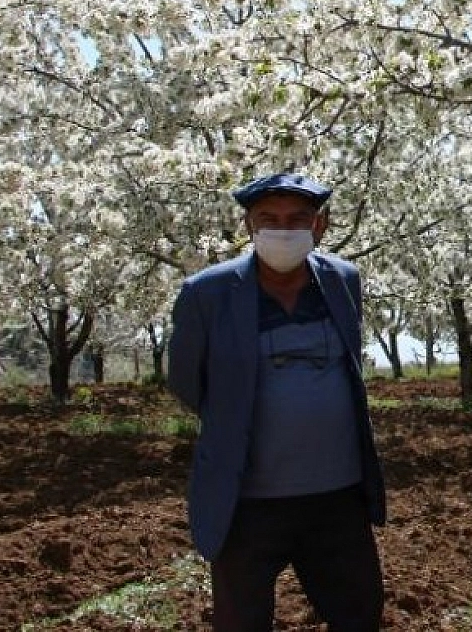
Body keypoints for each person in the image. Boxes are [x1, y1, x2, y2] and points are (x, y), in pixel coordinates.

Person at [168, 172, 388, 632]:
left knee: (358, 615)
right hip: (247, 502)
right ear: (249, 226)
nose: (283, 230)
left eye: (297, 219)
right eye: (268, 219)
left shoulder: (343, 281)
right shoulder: (206, 294)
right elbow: (188, 382)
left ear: (320, 226)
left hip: (337, 499)